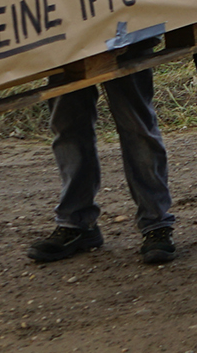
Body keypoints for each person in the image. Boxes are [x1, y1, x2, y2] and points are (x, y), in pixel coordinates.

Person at [30, 68, 178, 265]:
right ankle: (76, 223)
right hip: (63, 53)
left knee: (137, 124)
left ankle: (156, 223)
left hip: (121, 48)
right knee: (68, 124)